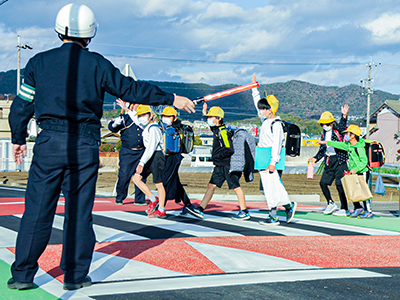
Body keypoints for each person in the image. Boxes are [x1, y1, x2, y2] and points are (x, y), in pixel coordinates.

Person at [7, 3, 195, 291]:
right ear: (90, 34)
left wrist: (19, 138)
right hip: (84, 144)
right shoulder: (98, 65)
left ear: (59, 31)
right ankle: (75, 275)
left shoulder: (38, 64)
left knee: (37, 210)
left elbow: (21, 106)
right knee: (79, 212)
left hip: (48, 144)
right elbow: (131, 89)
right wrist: (171, 97)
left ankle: (22, 275)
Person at [251, 74, 297, 226]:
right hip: (263, 156)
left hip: (270, 158)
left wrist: (273, 161)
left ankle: (274, 215)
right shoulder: (265, 121)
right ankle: (288, 207)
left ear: (270, 110)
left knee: (272, 187)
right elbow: (256, 102)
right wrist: (254, 89)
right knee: (271, 186)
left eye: (264, 109)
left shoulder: (276, 124)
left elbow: (277, 144)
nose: (261, 111)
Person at [192, 103, 250, 220]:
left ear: (219, 119)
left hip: (227, 165)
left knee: (236, 187)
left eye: (211, 117)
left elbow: (229, 149)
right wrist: (204, 113)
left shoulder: (223, 131)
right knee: (211, 186)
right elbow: (212, 127)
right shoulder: (217, 129)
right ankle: (201, 209)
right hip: (220, 165)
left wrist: (218, 156)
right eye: (208, 117)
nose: (209, 120)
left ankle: (244, 211)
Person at [317, 124, 373, 218]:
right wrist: (326, 142)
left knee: (363, 191)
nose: (346, 135)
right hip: (354, 172)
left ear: (353, 135)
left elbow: (364, 161)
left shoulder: (359, 147)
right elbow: (338, 144)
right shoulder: (349, 145)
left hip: (362, 171)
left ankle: (368, 211)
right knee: (354, 190)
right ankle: (358, 209)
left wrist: (356, 169)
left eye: (348, 133)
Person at [160, 107, 200, 218]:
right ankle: (188, 204)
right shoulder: (169, 127)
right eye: (164, 116)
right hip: (171, 158)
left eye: (168, 116)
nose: (165, 118)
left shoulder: (175, 128)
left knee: (166, 180)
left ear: (174, 117)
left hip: (173, 158)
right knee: (175, 182)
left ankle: (160, 206)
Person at [308, 106, 349, 216]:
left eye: (326, 124)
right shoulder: (323, 134)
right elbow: (322, 150)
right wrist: (315, 158)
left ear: (331, 123)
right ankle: (330, 203)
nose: (324, 126)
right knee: (323, 183)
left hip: (340, 161)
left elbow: (342, 125)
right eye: (322, 124)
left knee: (340, 184)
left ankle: (345, 208)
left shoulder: (338, 131)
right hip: (329, 160)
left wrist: (344, 116)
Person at [108, 99, 147, 206]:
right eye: (136, 104)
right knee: (124, 175)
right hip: (127, 152)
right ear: (131, 106)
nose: (138, 106)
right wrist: (116, 123)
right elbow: (112, 128)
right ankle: (120, 197)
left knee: (141, 175)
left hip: (141, 151)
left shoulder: (144, 119)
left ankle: (139, 198)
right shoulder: (125, 118)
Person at [132, 105, 167, 218]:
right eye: (140, 116)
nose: (141, 117)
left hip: (157, 156)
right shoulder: (147, 127)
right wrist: (128, 109)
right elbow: (135, 120)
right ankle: (153, 199)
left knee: (159, 184)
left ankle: (161, 209)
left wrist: (141, 163)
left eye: (144, 115)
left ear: (150, 115)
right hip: (150, 156)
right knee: (136, 178)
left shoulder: (154, 128)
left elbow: (151, 147)